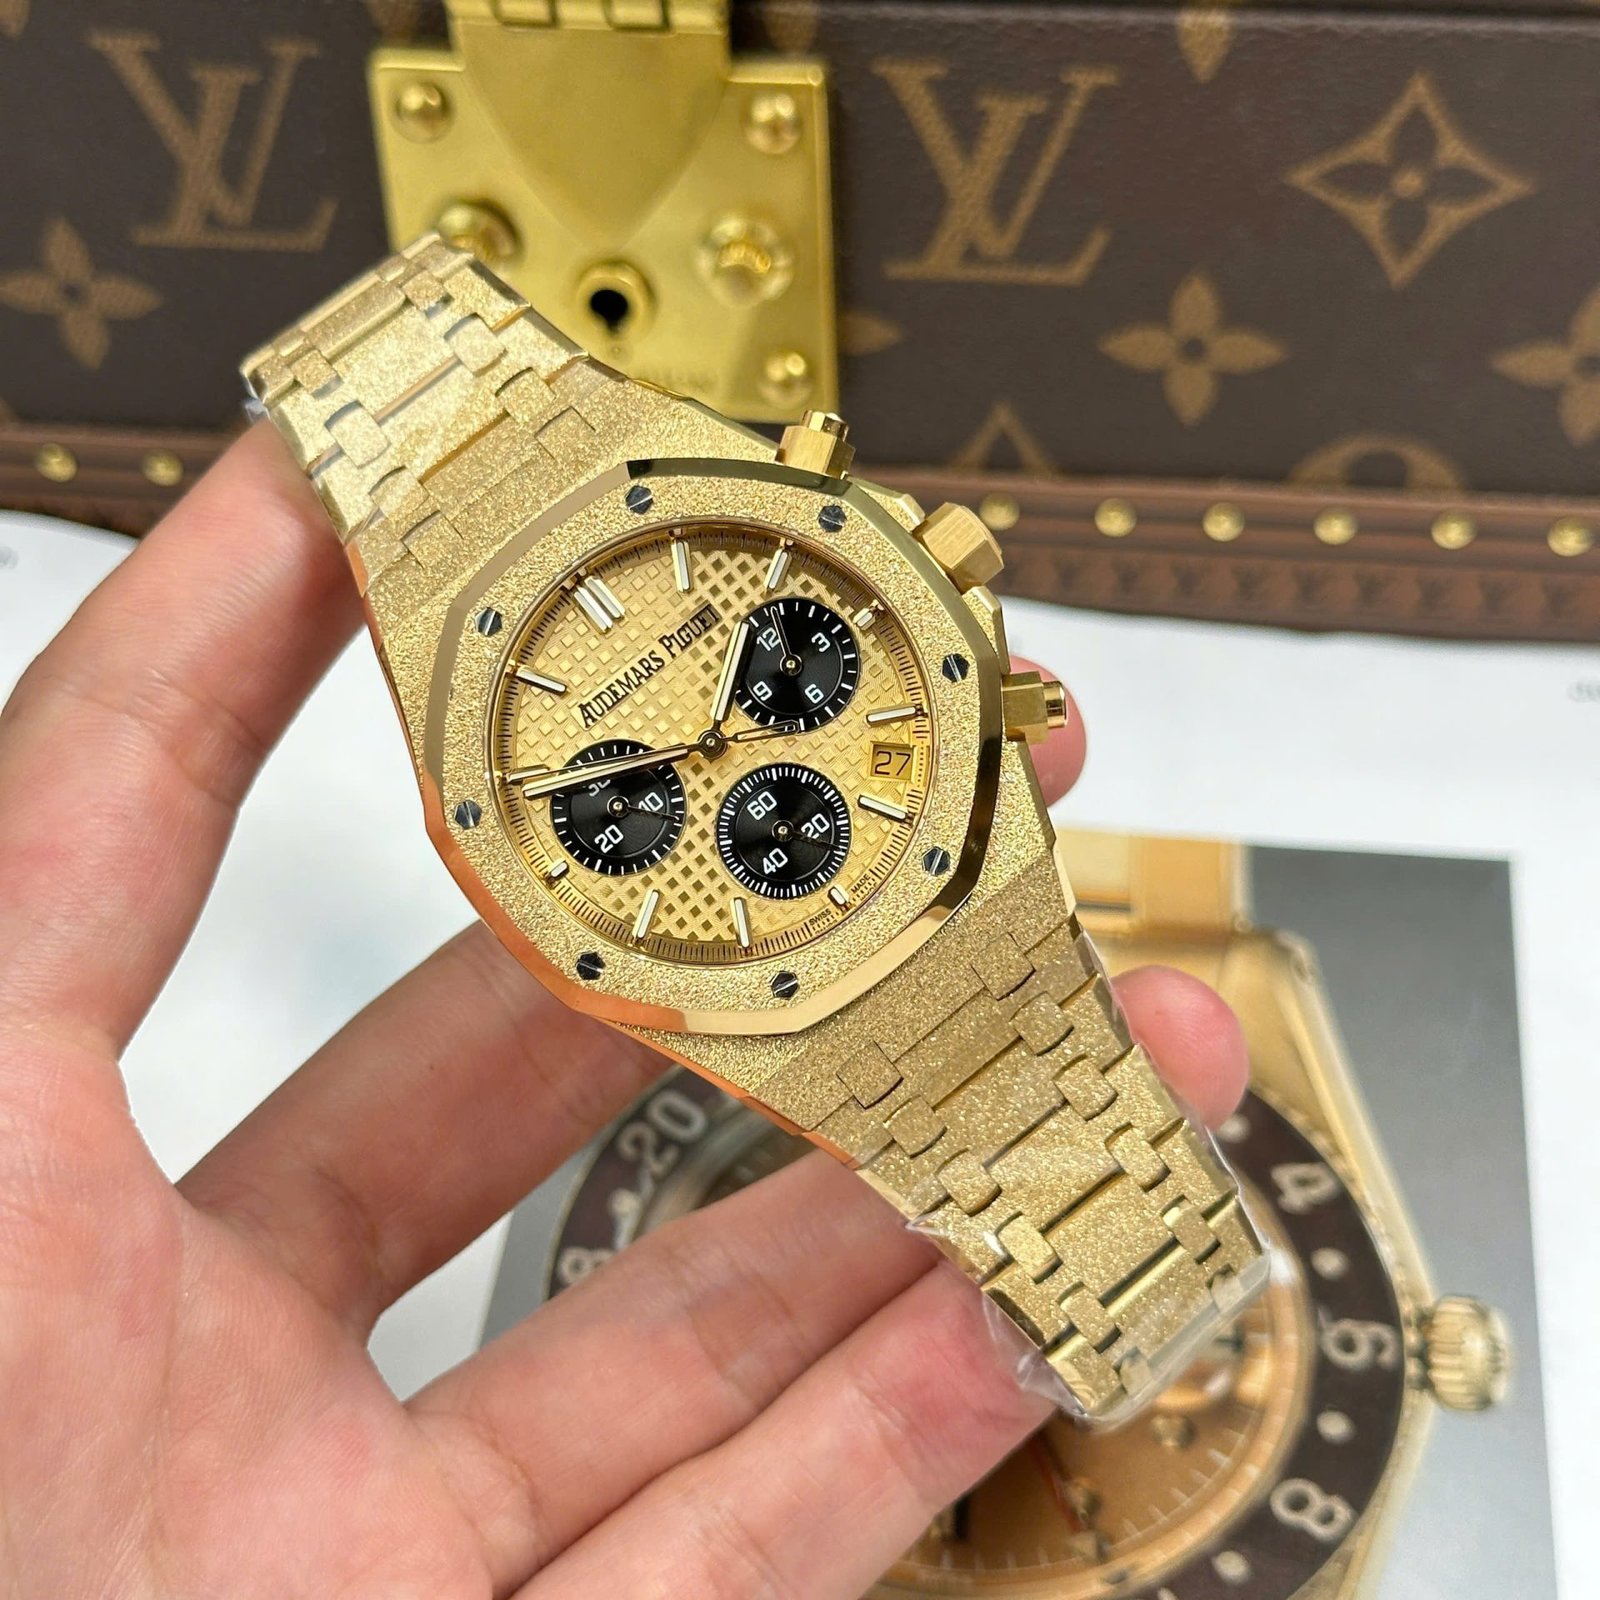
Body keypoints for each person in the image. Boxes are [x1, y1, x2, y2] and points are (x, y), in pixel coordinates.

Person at [0, 428, 1248, 1599]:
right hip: (770, 945)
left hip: (901, 867)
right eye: (646, 770)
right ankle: (1140, 1273)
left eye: (764, 684)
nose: (706, 749)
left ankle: (1149, 1265)